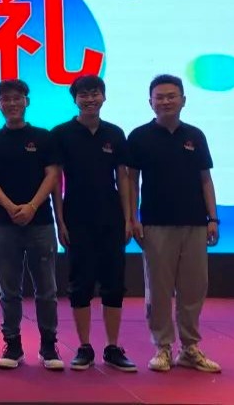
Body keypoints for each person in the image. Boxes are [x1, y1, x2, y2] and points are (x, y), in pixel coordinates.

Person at [128, 74, 222, 373]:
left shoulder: (195, 135)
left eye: (171, 96)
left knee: (194, 287)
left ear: (183, 100)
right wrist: (133, 218)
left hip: (195, 223)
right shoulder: (139, 137)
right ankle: (163, 347)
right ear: (150, 102)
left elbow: (205, 179)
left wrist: (213, 218)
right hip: (155, 223)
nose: (166, 101)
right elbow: (131, 181)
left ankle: (190, 347)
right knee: (158, 289)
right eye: (160, 97)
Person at [51, 75, 137, 372]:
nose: (90, 99)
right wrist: (60, 220)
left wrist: (128, 218)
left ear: (104, 97)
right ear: (75, 99)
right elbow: (56, 181)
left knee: (114, 282)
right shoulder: (62, 134)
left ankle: (113, 347)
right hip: (76, 215)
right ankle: (84, 347)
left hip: (111, 216)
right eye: (84, 95)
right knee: (81, 281)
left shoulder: (115, 133)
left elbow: (123, 177)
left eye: (95, 93)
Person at [0, 79, 62, 370]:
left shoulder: (44, 137)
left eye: (17, 98)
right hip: (5, 224)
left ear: (26, 101)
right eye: (6, 99)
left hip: (40, 223)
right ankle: (12, 344)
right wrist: (10, 206)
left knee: (47, 289)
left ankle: (49, 345)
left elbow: (52, 175)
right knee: (9, 290)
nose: (12, 103)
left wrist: (32, 206)